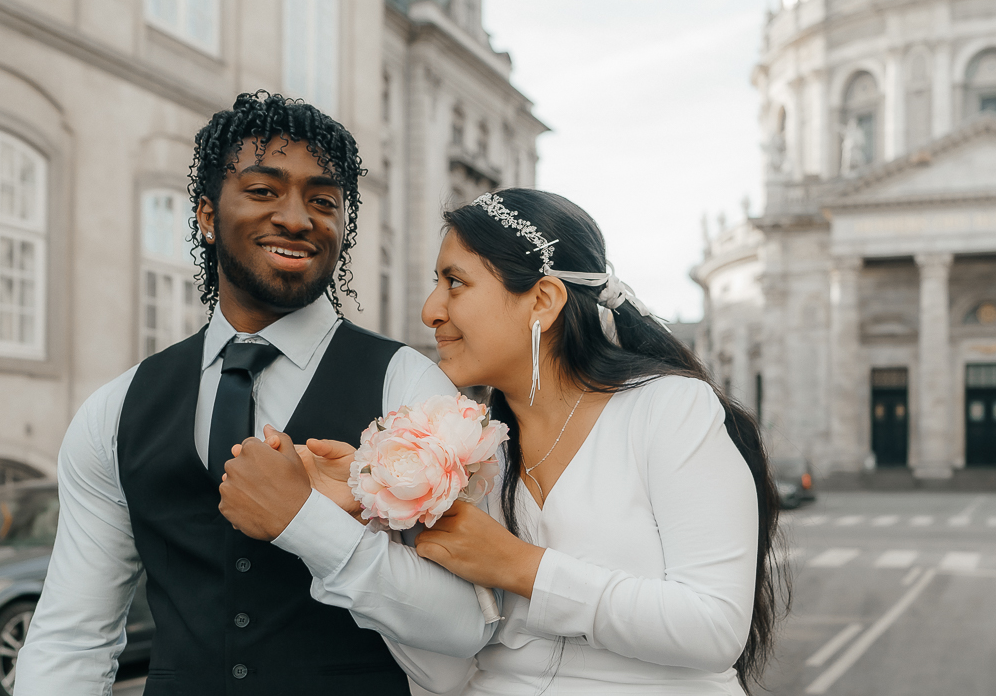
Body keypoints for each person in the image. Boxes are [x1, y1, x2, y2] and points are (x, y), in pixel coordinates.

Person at [16, 93, 492, 696]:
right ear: (209, 216)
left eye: (323, 201)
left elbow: (467, 625)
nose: (297, 218)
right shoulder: (115, 410)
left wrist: (307, 522)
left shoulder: (411, 389)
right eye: (264, 191)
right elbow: (72, 637)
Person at [288, 189, 785, 694]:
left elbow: (714, 629)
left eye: (454, 282)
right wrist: (369, 517)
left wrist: (519, 566)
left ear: (543, 301)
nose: (430, 310)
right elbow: (444, 673)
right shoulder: (468, 456)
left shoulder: (670, 409)